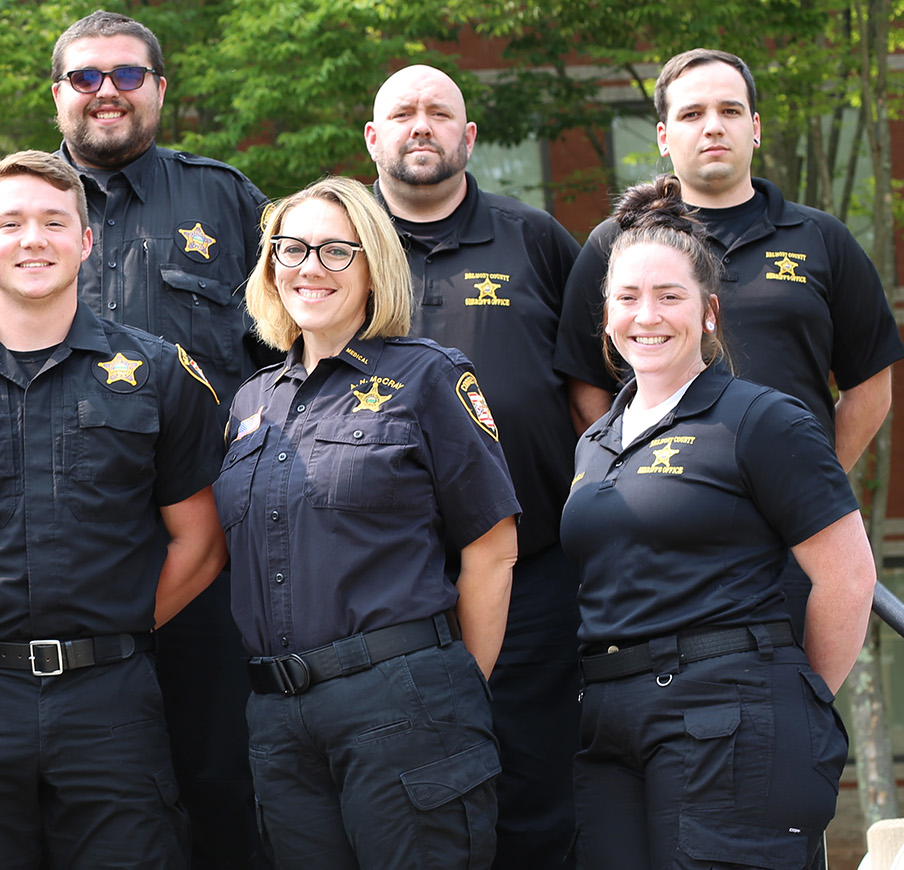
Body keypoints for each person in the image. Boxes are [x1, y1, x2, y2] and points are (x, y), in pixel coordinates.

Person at [0, 16, 270, 864]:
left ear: (160, 88)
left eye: (127, 73)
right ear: (57, 96)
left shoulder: (228, 200)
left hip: (199, 558)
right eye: (84, 77)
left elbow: (283, 358)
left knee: (218, 784)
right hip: (32, 571)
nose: (105, 90)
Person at [0, 151, 226, 870]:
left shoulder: (156, 373)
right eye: (13, 222)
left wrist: (118, 624)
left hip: (112, 700)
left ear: (85, 242)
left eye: (55, 222)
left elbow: (201, 542)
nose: (34, 239)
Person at [560, 177, 873, 868]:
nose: (648, 315)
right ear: (605, 315)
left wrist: (797, 700)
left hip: (727, 716)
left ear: (708, 312)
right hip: (608, 720)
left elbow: (848, 578)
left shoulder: (761, 419)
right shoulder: (595, 442)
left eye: (670, 296)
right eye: (628, 297)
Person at [216, 177, 518, 868]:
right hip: (277, 716)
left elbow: (493, 550)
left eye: (334, 251)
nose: (309, 267)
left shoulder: (429, 376)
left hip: (402, 702)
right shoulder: (250, 401)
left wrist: (449, 690)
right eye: (291, 249)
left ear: (374, 263)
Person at [553, 48, 902, 638]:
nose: (712, 126)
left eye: (730, 110)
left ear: (756, 128)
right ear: (664, 136)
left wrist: (793, 486)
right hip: (657, 538)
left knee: (792, 705)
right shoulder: (617, 245)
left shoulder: (823, 239)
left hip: (786, 540)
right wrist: (638, 485)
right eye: (691, 114)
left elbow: (870, 389)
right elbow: (587, 388)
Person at [365, 63, 583, 868]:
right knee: (394, 788)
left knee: (534, 779)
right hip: (380, 579)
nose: (421, 125)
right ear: (373, 137)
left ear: (469, 136)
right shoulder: (333, 250)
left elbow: (593, 396)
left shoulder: (536, 240)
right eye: (403, 113)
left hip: (532, 569)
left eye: (440, 112)